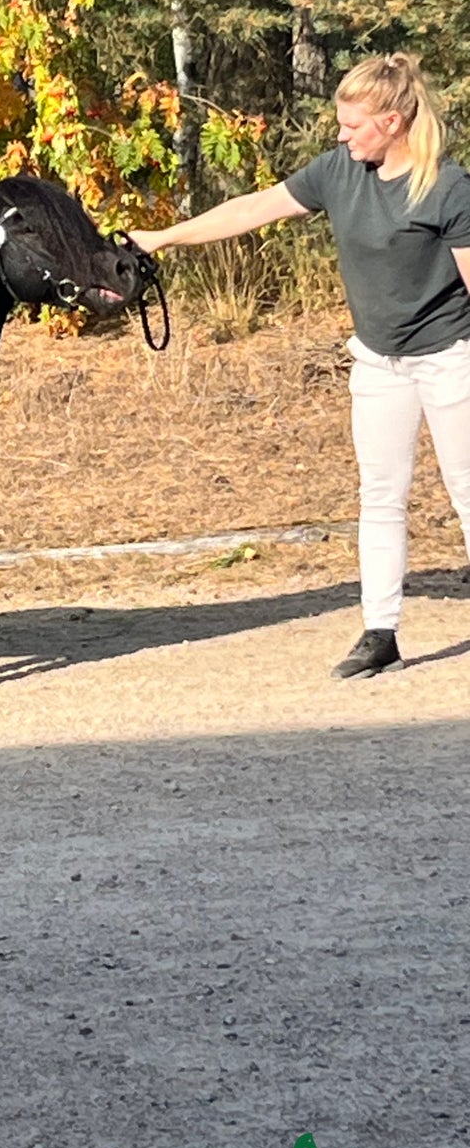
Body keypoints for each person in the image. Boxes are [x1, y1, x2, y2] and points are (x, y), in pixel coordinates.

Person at [128, 52, 470, 679]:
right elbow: (251, 209)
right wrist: (162, 238)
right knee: (381, 497)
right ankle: (380, 631)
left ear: (393, 122)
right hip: (377, 362)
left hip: (450, 361)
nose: (341, 135)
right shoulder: (339, 171)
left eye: (353, 125)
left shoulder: (449, 190)